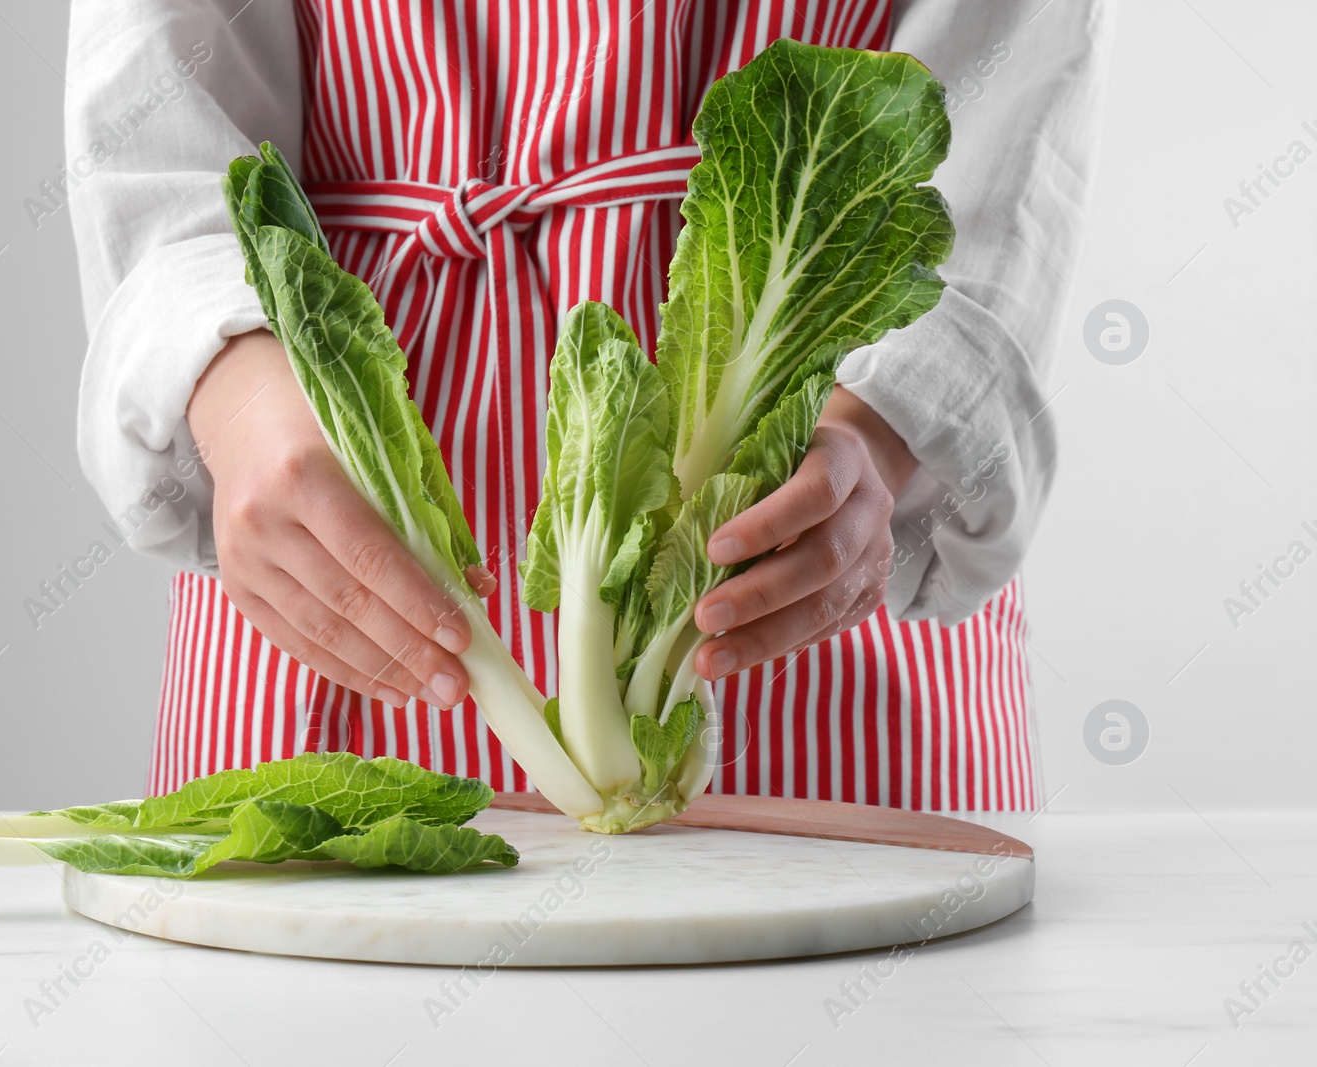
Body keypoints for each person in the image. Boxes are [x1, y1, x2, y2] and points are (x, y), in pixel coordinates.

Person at [69, 0, 1109, 811]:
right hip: (321, 523)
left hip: (824, 568)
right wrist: (246, 405)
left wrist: (873, 441)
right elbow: (155, 126)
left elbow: (998, 121)